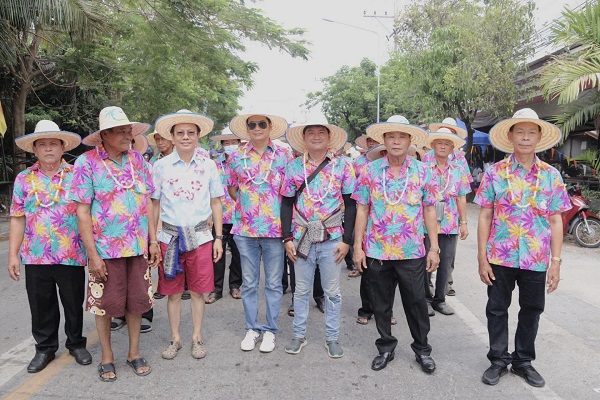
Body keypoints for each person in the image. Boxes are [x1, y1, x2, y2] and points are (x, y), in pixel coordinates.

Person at [475, 108, 571, 387]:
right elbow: (484, 215)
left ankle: (523, 361)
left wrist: (556, 261)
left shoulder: (551, 175)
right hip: (500, 255)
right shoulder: (496, 172)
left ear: (539, 138)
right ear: (511, 136)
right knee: (496, 308)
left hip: (536, 257)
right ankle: (498, 359)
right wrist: (482, 257)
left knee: (532, 308)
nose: (526, 138)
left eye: (531, 132)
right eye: (521, 132)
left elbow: (555, 220)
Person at [71, 106, 160, 382]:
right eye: (120, 131)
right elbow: (82, 211)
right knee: (105, 304)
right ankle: (107, 356)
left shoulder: (138, 161)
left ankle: (134, 353)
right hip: (105, 250)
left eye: (128, 130)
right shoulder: (86, 163)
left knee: (136, 303)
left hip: (137, 247)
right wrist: (92, 254)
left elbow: (148, 201)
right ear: (105, 135)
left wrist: (153, 240)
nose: (127, 135)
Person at [352, 115, 440, 373]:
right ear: (384, 141)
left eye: (402, 136)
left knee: (416, 303)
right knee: (381, 304)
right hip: (377, 249)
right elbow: (362, 209)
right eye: (391, 136)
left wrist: (434, 247)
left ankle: (422, 350)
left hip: (412, 250)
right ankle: (386, 347)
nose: (397, 141)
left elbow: (430, 211)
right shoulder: (369, 170)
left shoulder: (423, 171)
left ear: (410, 140)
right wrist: (358, 246)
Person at [8, 120, 91, 373]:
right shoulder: (23, 179)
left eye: (52, 144)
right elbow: (17, 217)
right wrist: (13, 254)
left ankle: (76, 343)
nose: (47, 149)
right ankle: (45, 349)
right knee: (40, 305)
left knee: (73, 302)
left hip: (71, 252)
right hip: (35, 255)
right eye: (42, 145)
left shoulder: (77, 175)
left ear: (62, 147)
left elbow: (87, 212)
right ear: (34, 150)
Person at [151, 110, 223, 360]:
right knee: (171, 293)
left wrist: (219, 238)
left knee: (197, 291)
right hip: (169, 238)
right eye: (179, 133)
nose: (185, 137)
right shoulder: (160, 167)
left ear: (198, 135)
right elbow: (154, 205)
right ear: (171, 136)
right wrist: (153, 238)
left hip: (201, 238)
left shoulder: (208, 166)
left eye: (190, 133)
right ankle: (175, 338)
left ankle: (196, 337)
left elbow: (216, 202)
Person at [280, 121, 355, 358]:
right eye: (310, 132)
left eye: (321, 132)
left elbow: (351, 204)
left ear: (329, 137)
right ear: (304, 139)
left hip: (332, 238)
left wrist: (347, 240)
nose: (315, 136)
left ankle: (332, 338)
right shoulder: (293, 167)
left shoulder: (343, 165)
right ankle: (298, 335)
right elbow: (286, 203)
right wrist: (286, 238)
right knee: (301, 290)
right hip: (301, 238)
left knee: (332, 291)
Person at [227, 112, 291, 353]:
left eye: (261, 124)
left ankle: (270, 330)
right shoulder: (235, 156)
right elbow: (233, 188)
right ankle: (252, 328)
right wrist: (249, 206)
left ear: (270, 127)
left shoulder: (283, 154)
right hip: (245, 229)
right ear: (246, 129)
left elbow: (290, 190)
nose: (256, 128)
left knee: (274, 283)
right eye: (251, 124)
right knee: (249, 282)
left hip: (275, 230)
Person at [422, 128, 471, 317]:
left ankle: (440, 300)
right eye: (439, 142)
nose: (443, 146)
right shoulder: (423, 167)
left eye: (447, 143)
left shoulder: (457, 170)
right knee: (426, 261)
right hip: (427, 223)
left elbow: (461, 197)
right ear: (433, 145)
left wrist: (464, 222)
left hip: (450, 223)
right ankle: (425, 299)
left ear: (452, 148)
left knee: (446, 262)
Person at [110, 134, 155, 333]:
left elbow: (149, 201)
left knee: (139, 288)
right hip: (111, 243)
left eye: (132, 139)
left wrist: (153, 238)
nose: (127, 141)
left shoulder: (141, 164)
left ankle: (145, 314)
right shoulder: (93, 164)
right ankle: (119, 315)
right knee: (114, 290)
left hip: (138, 239)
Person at [207, 129, 242, 303]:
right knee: (216, 254)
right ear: (222, 145)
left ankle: (235, 285)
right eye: (226, 143)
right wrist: (209, 215)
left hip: (240, 216)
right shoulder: (213, 165)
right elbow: (208, 191)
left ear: (239, 142)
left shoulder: (244, 162)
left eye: (233, 142)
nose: (230, 146)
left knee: (238, 254)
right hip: (219, 216)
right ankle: (216, 289)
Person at [348, 135, 380, 278]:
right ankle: (359, 264)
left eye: (374, 140)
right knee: (358, 235)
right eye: (369, 141)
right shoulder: (358, 162)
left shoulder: (383, 159)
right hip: (361, 204)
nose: (372, 142)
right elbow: (351, 182)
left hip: (380, 209)